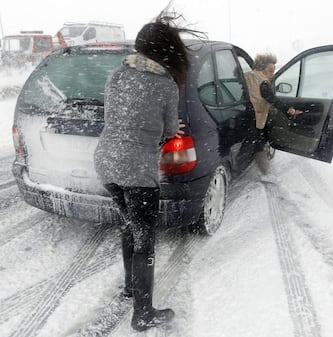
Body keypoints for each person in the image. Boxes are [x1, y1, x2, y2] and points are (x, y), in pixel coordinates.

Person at [93, 10, 198, 332]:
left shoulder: (117, 74)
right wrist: (170, 127)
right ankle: (143, 313)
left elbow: (122, 116)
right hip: (137, 169)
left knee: (130, 225)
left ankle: (130, 287)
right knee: (145, 239)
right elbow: (168, 131)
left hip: (105, 162)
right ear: (167, 50)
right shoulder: (165, 85)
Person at [244, 53, 303, 174]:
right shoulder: (263, 83)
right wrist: (289, 110)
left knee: (253, 141)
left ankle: (250, 157)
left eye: (273, 71)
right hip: (257, 117)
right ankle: (266, 172)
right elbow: (272, 99)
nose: (272, 74)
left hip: (245, 115)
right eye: (270, 71)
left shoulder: (246, 76)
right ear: (262, 69)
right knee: (259, 144)